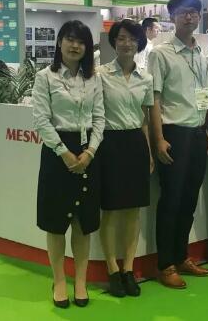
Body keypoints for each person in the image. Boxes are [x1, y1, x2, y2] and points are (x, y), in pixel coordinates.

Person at [32, 20, 104, 309]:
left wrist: (90, 152)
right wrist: (64, 153)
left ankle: (81, 281)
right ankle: (59, 280)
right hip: (56, 153)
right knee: (56, 223)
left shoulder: (93, 78)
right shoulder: (45, 77)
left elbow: (100, 118)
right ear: (59, 42)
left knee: (82, 223)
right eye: (70, 39)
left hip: (88, 152)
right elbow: (41, 120)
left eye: (81, 41)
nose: (75, 46)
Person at [149, 0, 208, 289]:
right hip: (173, 134)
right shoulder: (161, 54)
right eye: (184, 12)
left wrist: (207, 129)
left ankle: (182, 255)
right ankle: (165, 265)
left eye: (194, 12)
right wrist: (159, 138)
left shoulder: (201, 54)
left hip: (198, 133)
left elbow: (204, 96)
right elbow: (154, 99)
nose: (189, 17)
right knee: (171, 200)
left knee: (189, 199)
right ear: (172, 16)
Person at [98, 20, 154, 298]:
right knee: (109, 210)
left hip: (135, 144)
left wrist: (149, 152)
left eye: (132, 38)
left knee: (133, 210)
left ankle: (128, 269)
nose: (127, 43)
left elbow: (144, 119)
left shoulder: (146, 78)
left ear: (139, 42)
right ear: (113, 42)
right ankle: (112, 270)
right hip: (109, 143)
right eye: (121, 38)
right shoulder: (100, 75)